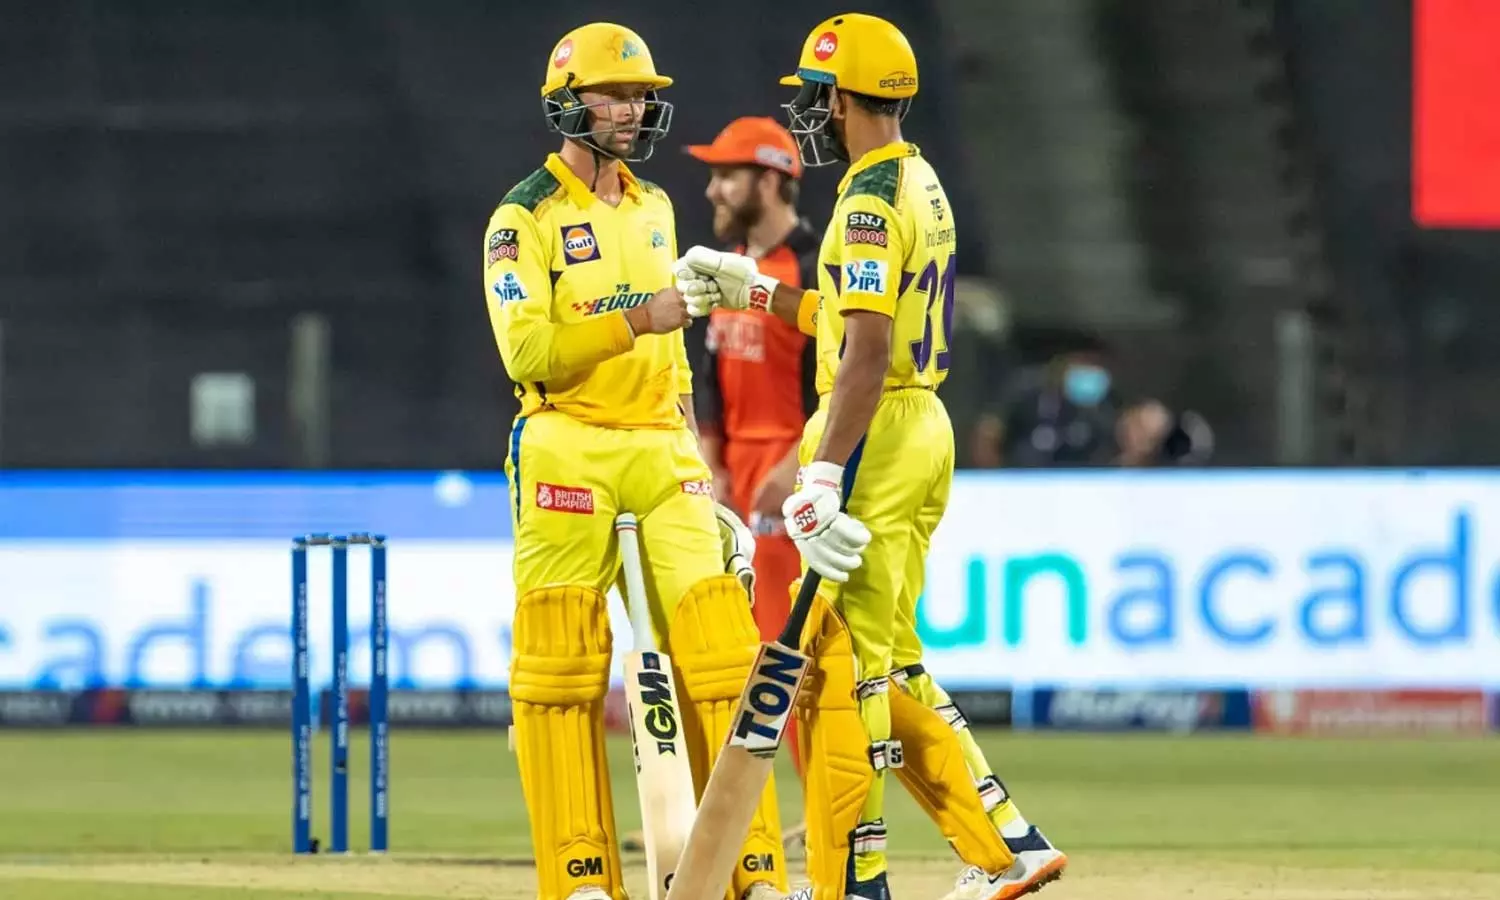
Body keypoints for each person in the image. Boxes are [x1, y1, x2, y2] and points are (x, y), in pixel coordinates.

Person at [673, 13, 1066, 900]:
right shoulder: (919, 180)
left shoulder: (864, 201)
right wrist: (758, 290)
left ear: (844, 99)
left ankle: (857, 878)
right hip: (919, 424)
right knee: (891, 656)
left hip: (873, 430)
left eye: (817, 96)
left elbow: (864, 352)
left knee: (846, 666)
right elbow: (848, 319)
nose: (811, 111)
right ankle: (1006, 841)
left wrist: (822, 471)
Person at [483, 22, 784, 900]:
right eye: (615, 95)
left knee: (727, 652)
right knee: (560, 670)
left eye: (642, 96)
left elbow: (675, 349)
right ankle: (580, 877)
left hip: (660, 448)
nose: (633, 110)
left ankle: (753, 872)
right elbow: (526, 352)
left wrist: (692, 437)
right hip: (565, 443)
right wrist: (639, 319)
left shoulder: (654, 206)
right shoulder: (521, 218)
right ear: (567, 104)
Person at [683, 115, 820, 784]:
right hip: (733, 482)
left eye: (727, 175)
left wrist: (794, 466)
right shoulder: (725, 271)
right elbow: (710, 378)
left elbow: (842, 379)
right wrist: (711, 465)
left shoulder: (815, 268)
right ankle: (742, 814)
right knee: (738, 655)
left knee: (792, 652)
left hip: (794, 482)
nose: (713, 190)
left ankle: (830, 812)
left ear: (770, 180)